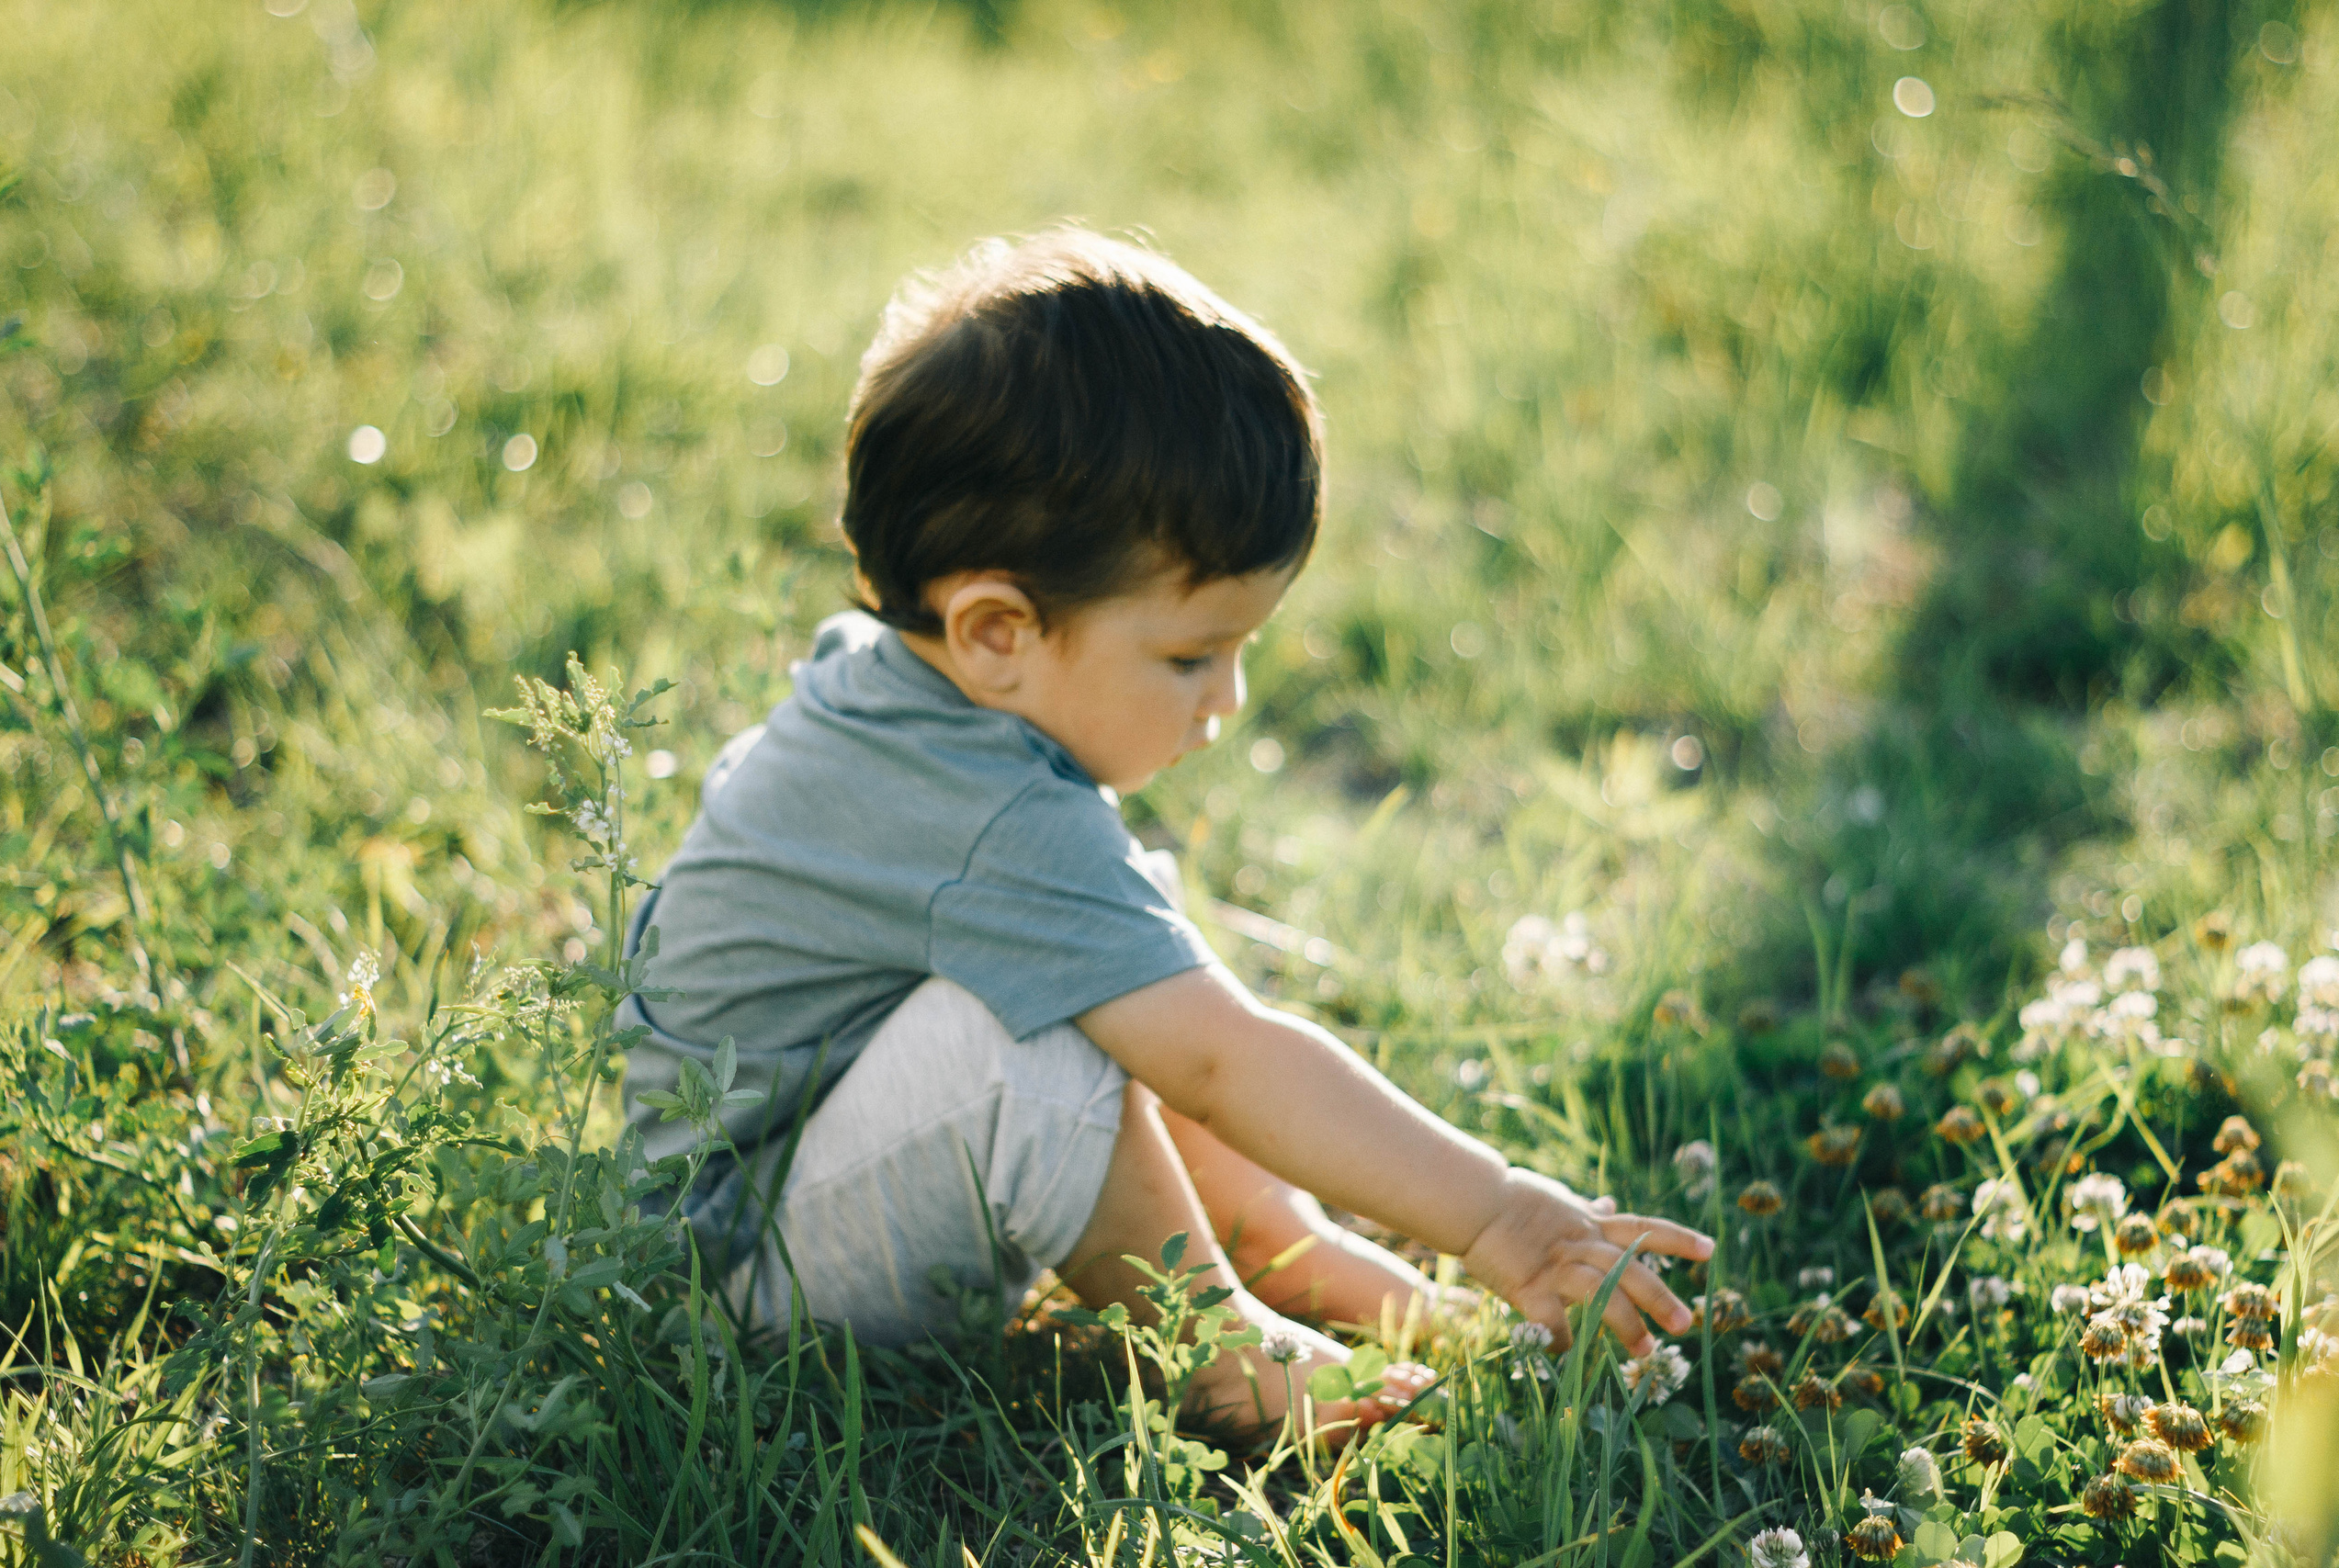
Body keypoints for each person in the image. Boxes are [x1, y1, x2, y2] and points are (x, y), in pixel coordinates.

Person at [617, 227, 1710, 1439]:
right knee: (1029, 1038)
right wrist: (1498, 1213)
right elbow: (1222, 1061)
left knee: (1124, 964)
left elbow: (1177, 1029)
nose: (1226, 700)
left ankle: (1294, 1256)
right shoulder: (986, 815)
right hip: (741, 1298)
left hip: (806, 1203)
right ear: (995, 633)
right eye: (1192, 656)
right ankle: (1222, 1355)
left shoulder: (905, 699)